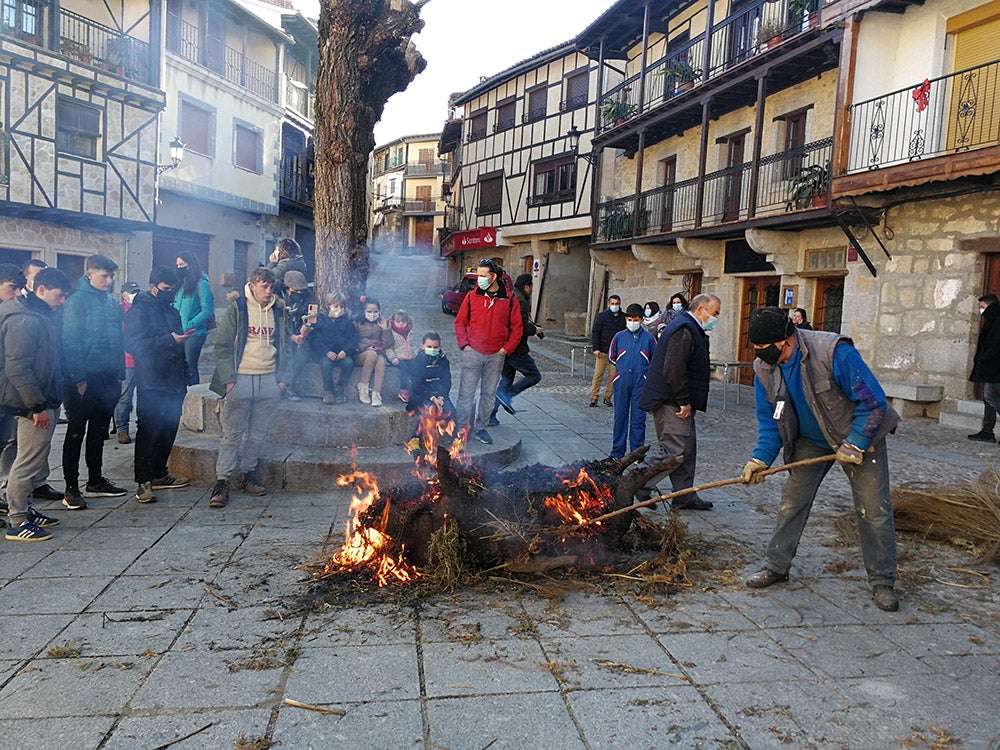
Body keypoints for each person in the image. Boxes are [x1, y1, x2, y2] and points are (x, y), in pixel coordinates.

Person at [739, 307, 901, 612]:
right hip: (810, 442)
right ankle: (776, 565)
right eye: (757, 350)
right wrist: (760, 458)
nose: (761, 355)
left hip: (859, 437)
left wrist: (854, 443)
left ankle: (882, 581)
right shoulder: (764, 368)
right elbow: (770, 418)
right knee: (792, 502)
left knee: (873, 509)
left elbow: (873, 402)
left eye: (765, 349)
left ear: (786, 340)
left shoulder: (833, 352)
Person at [208, 267, 292, 508]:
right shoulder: (238, 309)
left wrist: (282, 379)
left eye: (271, 287)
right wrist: (229, 381)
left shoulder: (279, 310)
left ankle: (248, 474)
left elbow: (286, 346)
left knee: (258, 432)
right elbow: (222, 346)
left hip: (269, 380)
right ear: (252, 285)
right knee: (232, 433)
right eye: (264, 286)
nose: (269, 291)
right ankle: (222, 480)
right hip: (241, 378)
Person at [1, 268, 71, 541]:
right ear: (41, 290)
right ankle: (17, 520)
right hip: (30, 404)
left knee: (31, 456)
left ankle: (26, 510)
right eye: (59, 295)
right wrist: (36, 406)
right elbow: (18, 367)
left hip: (42, 399)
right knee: (28, 461)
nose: (63, 301)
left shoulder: (42, 314)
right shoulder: (25, 319)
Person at [637, 293, 721, 511]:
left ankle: (684, 494)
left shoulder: (691, 328)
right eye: (715, 313)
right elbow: (673, 369)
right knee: (674, 449)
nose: (716, 318)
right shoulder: (684, 329)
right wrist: (683, 400)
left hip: (678, 399)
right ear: (701, 310)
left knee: (687, 448)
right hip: (671, 401)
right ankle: (638, 481)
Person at [61, 254, 128, 509]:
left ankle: (96, 480)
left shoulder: (111, 303)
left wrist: (120, 373)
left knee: (99, 431)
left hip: (109, 378)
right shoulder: (76, 302)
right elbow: (70, 341)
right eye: (104, 276)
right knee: (76, 431)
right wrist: (78, 377)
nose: (109, 281)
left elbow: (119, 341)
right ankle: (71, 487)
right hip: (83, 379)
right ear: (89, 274)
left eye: (112, 276)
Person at [125, 268, 192, 503]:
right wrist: (168, 340)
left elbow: (180, 343)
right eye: (165, 289)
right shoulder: (139, 311)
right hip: (151, 380)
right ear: (153, 287)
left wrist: (186, 374)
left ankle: (159, 472)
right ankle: (143, 480)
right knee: (149, 430)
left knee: (169, 427)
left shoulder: (172, 311)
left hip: (175, 380)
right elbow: (133, 344)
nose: (170, 293)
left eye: (173, 290)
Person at [454, 258, 522, 445]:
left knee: (488, 395)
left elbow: (517, 327)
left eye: (483, 276)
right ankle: (461, 430)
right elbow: (460, 322)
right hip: (473, 352)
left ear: (493, 277)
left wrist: (505, 349)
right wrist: (464, 345)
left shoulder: (509, 299)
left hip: (495, 355)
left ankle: (481, 429)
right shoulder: (471, 297)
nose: (479, 279)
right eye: (478, 275)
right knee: (466, 394)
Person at [489, 274, 543, 425]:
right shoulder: (520, 300)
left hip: (506, 346)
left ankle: (490, 415)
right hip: (516, 347)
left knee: (506, 381)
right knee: (534, 375)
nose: (531, 290)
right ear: (527, 286)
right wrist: (535, 330)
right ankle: (509, 394)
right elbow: (521, 326)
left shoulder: (512, 296)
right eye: (531, 286)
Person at [609, 304, 656, 460]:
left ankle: (637, 454)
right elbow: (612, 356)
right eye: (629, 319)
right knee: (620, 417)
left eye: (635, 320)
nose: (632, 322)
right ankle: (617, 452)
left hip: (640, 383)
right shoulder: (619, 337)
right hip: (622, 381)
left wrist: (644, 374)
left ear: (641, 320)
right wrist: (623, 368)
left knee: (638, 419)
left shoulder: (649, 339)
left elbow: (654, 359)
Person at [300, 292, 358, 404]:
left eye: (342, 306)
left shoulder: (347, 321)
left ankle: (341, 389)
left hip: (342, 353)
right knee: (326, 364)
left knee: (349, 363)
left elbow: (353, 339)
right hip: (325, 353)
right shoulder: (320, 319)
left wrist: (345, 351)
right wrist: (326, 352)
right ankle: (328, 390)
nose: (339, 309)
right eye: (336, 306)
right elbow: (315, 339)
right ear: (328, 305)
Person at [405, 332, 454, 453]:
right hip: (421, 395)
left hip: (440, 394)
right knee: (430, 409)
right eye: (429, 347)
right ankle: (415, 438)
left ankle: (455, 440)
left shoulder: (443, 361)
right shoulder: (417, 362)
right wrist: (432, 398)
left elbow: (446, 381)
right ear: (422, 346)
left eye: (435, 347)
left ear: (440, 347)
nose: (432, 349)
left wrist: (442, 396)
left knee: (450, 409)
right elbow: (417, 385)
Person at [173, 253, 215, 385]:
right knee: (179, 365)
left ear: (190, 265)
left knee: (191, 366)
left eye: (181, 265)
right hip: (178, 332)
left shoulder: (201, 284)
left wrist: (191, 324)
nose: (178, 268)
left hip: (194, 334)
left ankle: (193, 394)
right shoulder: (179, 284)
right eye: (177, 265)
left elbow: (207, 309)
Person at [968, 294, 1000, 442]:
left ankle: (987, 430)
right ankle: (987, 430)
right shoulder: (992, 321)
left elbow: (995, 345)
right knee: (988, 400)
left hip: (995, 367)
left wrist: (984, 357)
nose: (981, 311)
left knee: (990, 396)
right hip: (990, 366)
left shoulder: (997, 321)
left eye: (982, 307)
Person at [114, 281, 142, 444]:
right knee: (125, 396)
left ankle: (142, 425)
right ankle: (122, 428)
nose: (134, 295)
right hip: (127, 360)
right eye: (131, 292)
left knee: (144, 396)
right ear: (123, 294)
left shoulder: (141, 309)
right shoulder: (119, 312)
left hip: (143, 360)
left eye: (136, 291)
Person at [354, 298, 394, 407]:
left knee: (380, 361)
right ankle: (363, 385)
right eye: (369, 312)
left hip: (378, 353)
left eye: (375, 312)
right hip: (361, 354)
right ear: (364, 311)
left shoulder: (381, 323)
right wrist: (366, 347)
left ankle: (376, 393)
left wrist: (385, 330)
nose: (373, 314)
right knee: (372, 354)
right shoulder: (357, 322)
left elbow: (389, 344)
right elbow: (353, 341)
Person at [590, 294, 626, 407]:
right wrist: (596, 348)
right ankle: (594, 397)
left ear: (619, 304)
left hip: (616, 352)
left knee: (613, 376)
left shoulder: (623, 317)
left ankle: (608, 397)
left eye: (616, 304)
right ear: (609, 304)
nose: (614, 306)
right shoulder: (602, 316)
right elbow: (595, 332)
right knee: (598, 374)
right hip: (603, 350)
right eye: (612, 304)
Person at [387, 309, 416, 403]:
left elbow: (411, 345)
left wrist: (415, 355)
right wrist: (393, 358)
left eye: (404, 321)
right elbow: (388, 348)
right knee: (404, 369)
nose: (401, 324)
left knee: (416, 369)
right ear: (393, 321)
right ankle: (403, 390)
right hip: (397, 358)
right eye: (398, 322)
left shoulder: (410, 332)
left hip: (409, 357)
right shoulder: (391, 333)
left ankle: (415, 388)